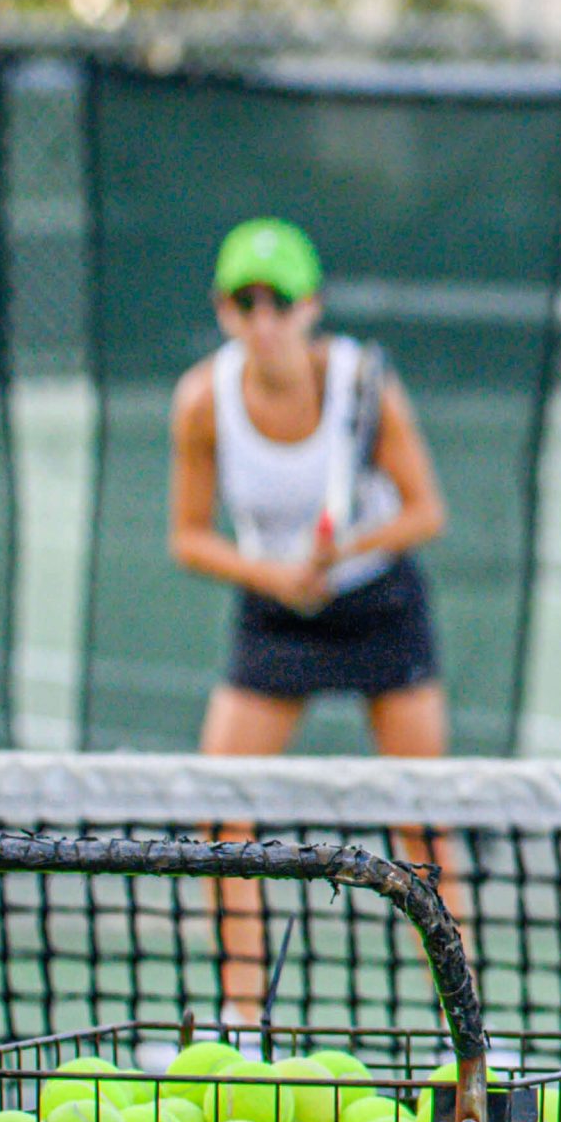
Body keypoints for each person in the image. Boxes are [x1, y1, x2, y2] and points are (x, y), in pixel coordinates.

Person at [168, 217, 459, 1024]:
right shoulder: (202, 403)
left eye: (279, 302)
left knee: (422, 820)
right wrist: (273, 574)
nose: (263, 321)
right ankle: (240, 1022)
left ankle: (469, 1032)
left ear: (311, 307)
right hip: (276, 613)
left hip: (377, 605)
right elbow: (187, 537)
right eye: (243, 303)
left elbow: (425, 510)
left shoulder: (367, 384)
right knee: (221, 809)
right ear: (225, 311)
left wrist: (345, 550)